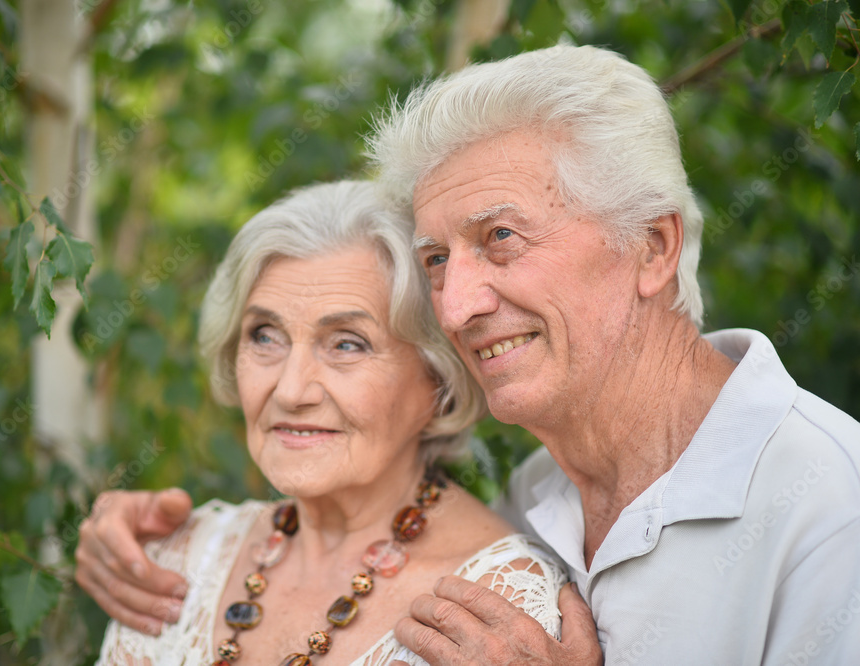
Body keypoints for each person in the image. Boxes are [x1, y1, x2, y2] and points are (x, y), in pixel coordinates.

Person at [79, 45, 860, 665]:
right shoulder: (536, 496)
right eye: (436, 261)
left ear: (651, 248)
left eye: (501, 239)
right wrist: (131, 525)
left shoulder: (831, 509)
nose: (454, 308)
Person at [88, 179, 570, 666]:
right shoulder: (178, 563)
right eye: (265, 336)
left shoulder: (501, 612)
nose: (292, 390)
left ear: (438, 378)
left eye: (346, 344)